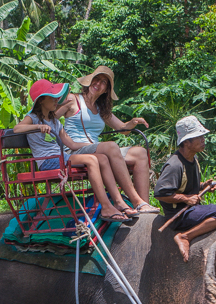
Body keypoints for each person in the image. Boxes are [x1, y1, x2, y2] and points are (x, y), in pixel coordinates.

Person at [13, 79, 136, 223]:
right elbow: (17, 129)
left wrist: (96, 145)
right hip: (48, 161)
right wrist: (36, 127)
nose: (56, 101)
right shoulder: (33, 118)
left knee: (101, 157)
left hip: (61, 157)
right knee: (91, 160)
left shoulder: (55, 122)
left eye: (57, 98)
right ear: (41, 101)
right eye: (52, 98)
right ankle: (106, 207)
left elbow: (71, 144)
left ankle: (118, 201)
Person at [55, 65, 159, 216]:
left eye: (103, 82)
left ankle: (144, 204)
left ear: (106, 90)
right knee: (110, 146)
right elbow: (51, 118)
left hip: (96, 149)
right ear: (89, 81)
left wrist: (133, 122)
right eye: (96, 79)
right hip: (75, 149)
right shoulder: (73, 99)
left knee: (140, 153)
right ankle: (136, 201)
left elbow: (123, 129)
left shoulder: (101, 108)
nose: (98, 83)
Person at [154, 116, 216, 261]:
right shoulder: (175, 165)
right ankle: (185, 236)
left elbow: (184, 187)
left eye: (203, 136)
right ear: (186, 142)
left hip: (191, 209)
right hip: (178, 214)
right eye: (198, 137)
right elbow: (160, 193)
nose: (203, 140)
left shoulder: (193, 160)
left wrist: (204, 186)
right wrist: (185, 199)